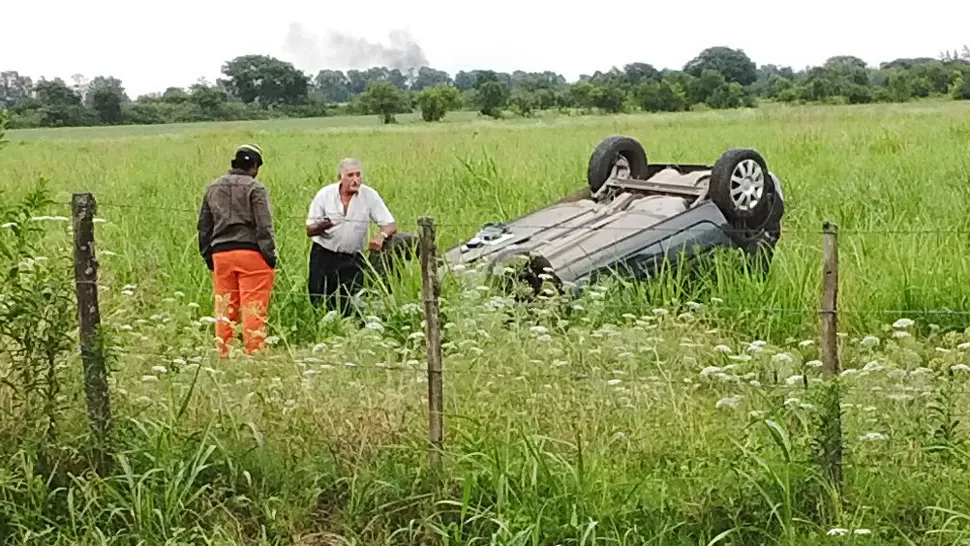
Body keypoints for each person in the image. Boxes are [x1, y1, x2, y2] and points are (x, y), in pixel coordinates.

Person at [197, 144, 278, 358]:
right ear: (254, 166)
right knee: (253, 308)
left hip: (221, 254)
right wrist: (269, 257)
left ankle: (224, 354)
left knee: (225, 308)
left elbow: (204, 227)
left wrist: (209, 257)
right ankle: (255, 355)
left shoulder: (212, 188)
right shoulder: (255, 188)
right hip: (251, 253)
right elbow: (264, 226)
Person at [305, 157, 397, 316]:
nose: (355, 180)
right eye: (350, 175)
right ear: (340, 176)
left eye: (358, 175)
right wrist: (325, 224)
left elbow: (390, 224)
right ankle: (324, 330)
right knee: (319, 300)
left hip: (353, 259)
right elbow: (309, 229)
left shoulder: (369, 196)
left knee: (351, 302)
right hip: (324, 255)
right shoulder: (325, 195)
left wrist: (381, 236)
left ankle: (349, 330)